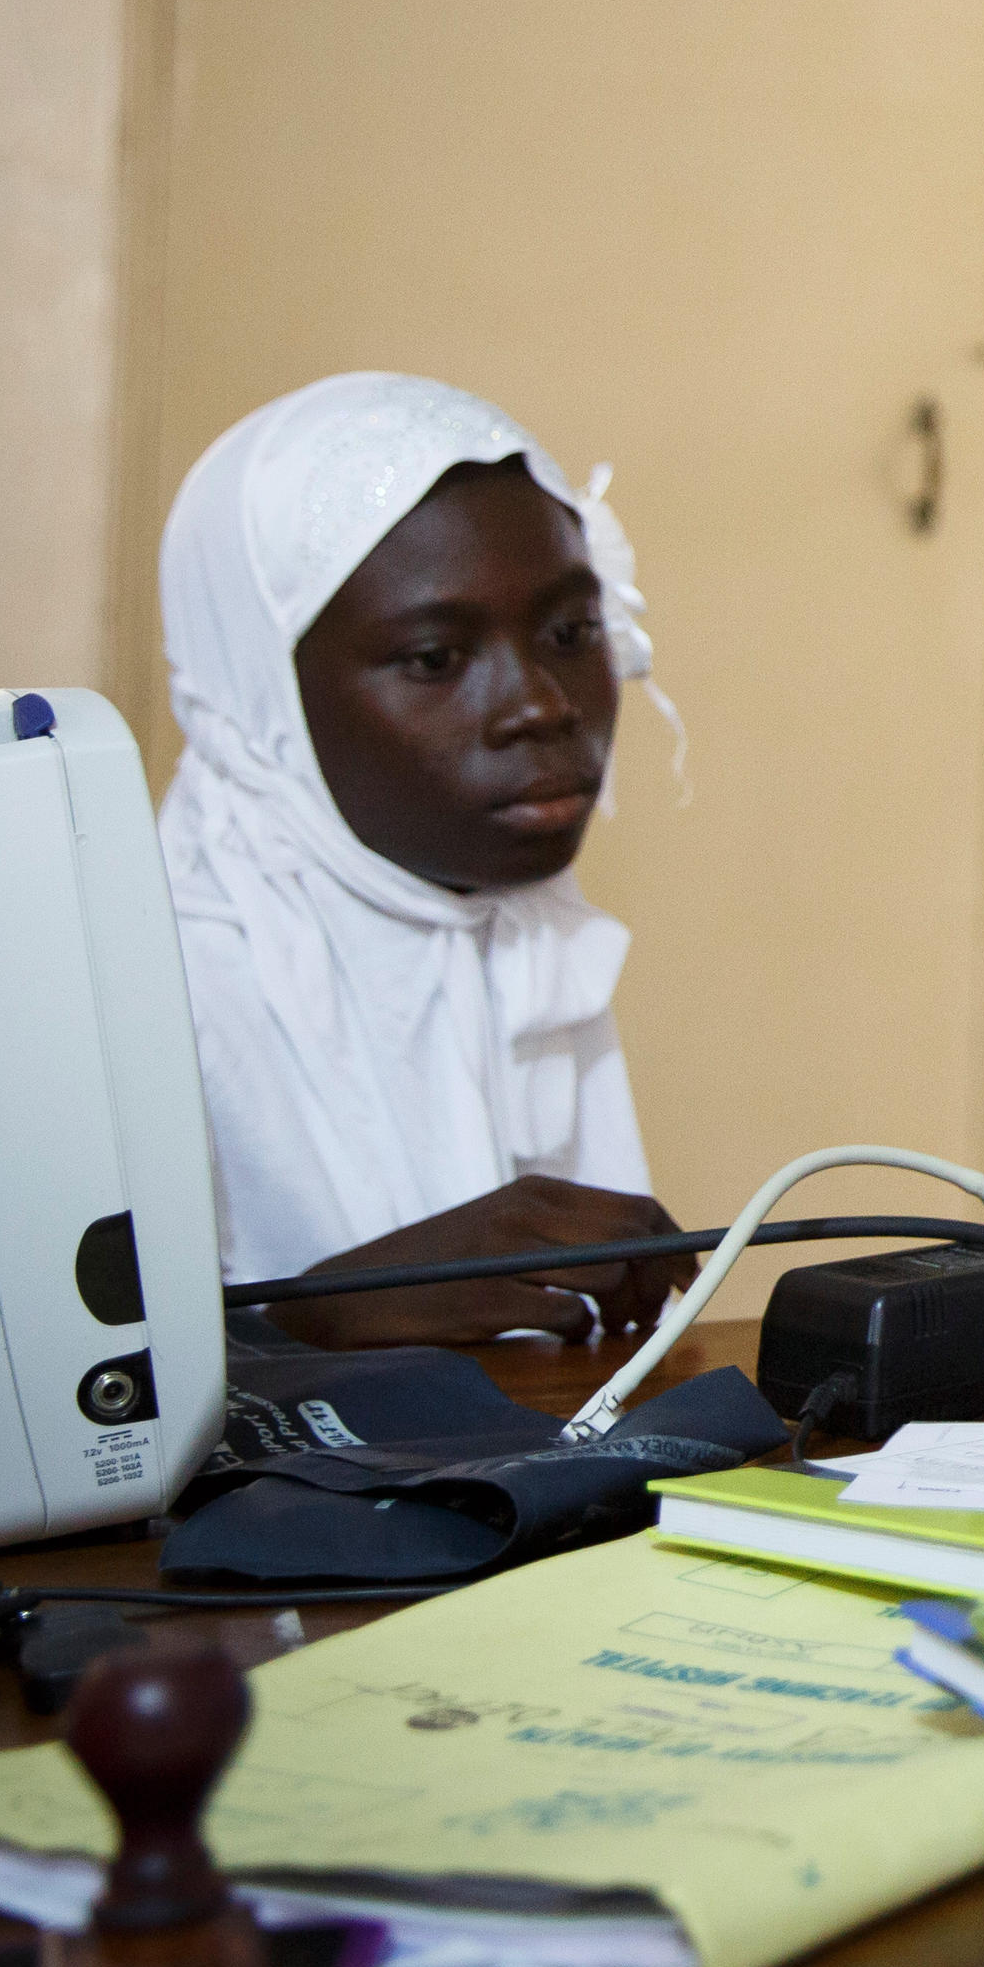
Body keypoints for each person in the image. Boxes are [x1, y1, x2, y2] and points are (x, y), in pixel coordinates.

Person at [161, 371, 685, 1350]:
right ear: (261, 695)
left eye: (571, 633)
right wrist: (312, 1319)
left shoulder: (520, 933)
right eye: (437, 658)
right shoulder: (133, 994)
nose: (542, 703)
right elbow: (23, 1418)